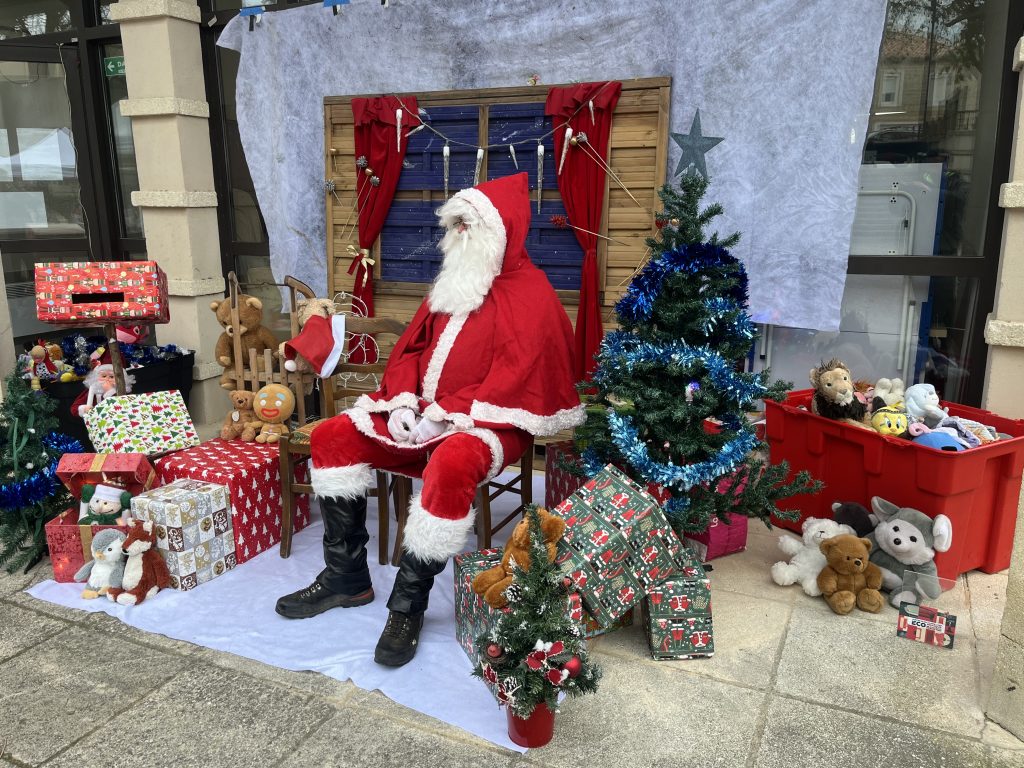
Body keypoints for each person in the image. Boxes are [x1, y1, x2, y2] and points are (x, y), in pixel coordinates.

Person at [275, 172, 584, 666]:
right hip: (421, 413)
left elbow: (517, 375)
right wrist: (401, 401)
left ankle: (407, 606)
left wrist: (448, 416)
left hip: (492, 423)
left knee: (452, 462)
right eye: (455, 223)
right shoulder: (451, 284)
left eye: (469, 224)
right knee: (334, 434)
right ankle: (346, 577)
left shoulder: (533, 295)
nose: (459, 232)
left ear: (501, 231)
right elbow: (411, 351)